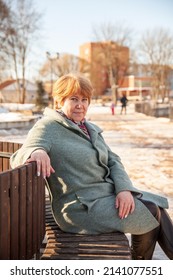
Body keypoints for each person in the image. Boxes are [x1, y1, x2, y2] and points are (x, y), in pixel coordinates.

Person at [10, 73, 173, 260]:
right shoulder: (48, 127)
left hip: (105, 196)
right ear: (59, 101)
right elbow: (19, 155)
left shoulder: (89, 128)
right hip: (80, 208)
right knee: (150, 210)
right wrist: (36, 152)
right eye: (73, 99)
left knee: (157, 208)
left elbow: (113, 160)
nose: (80, 105)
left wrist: (124, 189)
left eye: (84, 99)